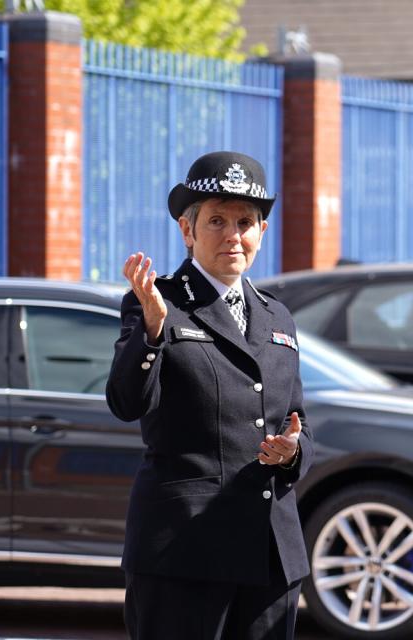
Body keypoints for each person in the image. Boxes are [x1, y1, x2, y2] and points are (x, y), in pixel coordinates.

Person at [106, 151, 314, 639]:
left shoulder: (277, 317)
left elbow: (296, 418)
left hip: (270, 551)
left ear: (262, 232)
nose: (232, 235)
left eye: (246, 222)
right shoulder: (158, 301)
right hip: (184, 550)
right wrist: (154, 330)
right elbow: (125, 402)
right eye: (216, 220)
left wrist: (291, 451)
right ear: (187, 229)